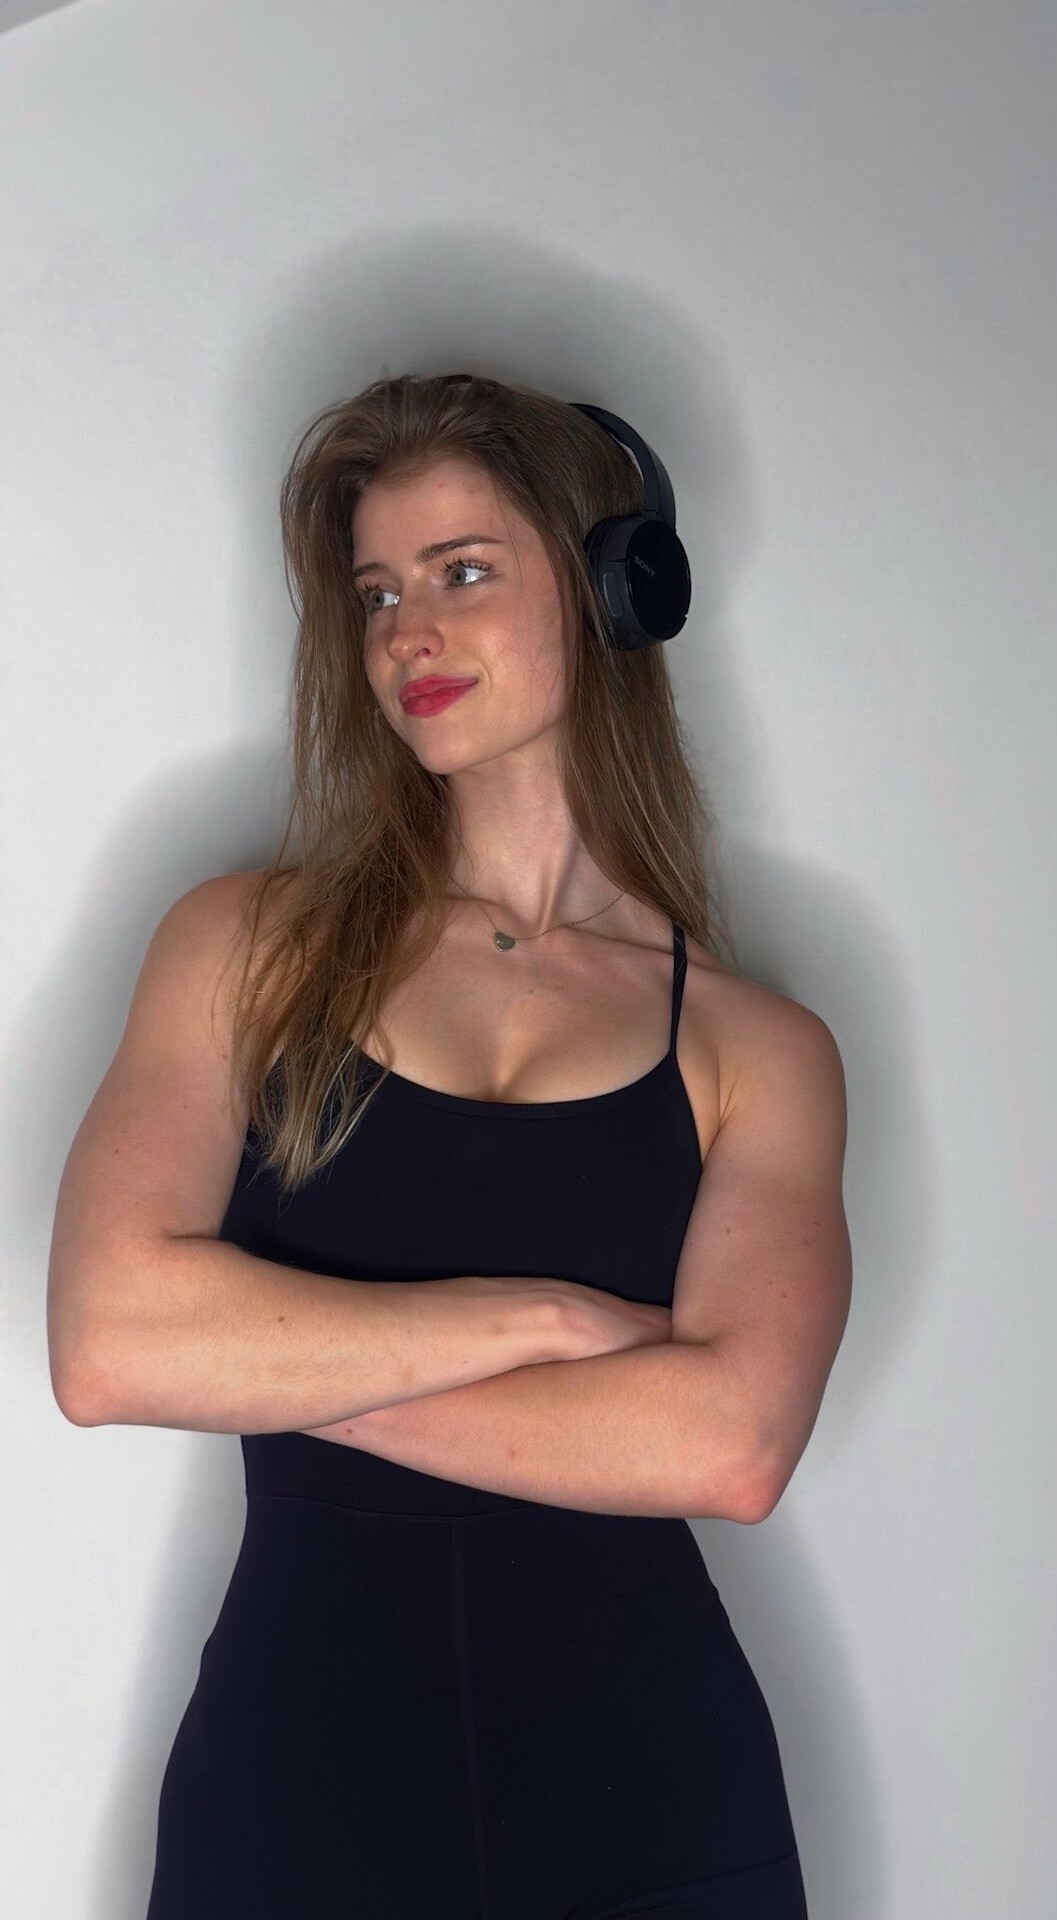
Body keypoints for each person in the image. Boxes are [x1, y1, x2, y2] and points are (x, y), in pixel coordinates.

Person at [46, 371, 852, 1918]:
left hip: (653, 1807)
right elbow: (110, 1346)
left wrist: (282, 1372)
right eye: (376, 594)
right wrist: (539, 1322)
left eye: (462, 571)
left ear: (616, 593)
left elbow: (729, 1448)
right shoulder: (248, 945)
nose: (406, 634)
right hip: (294, 1796)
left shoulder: (756, 1047)